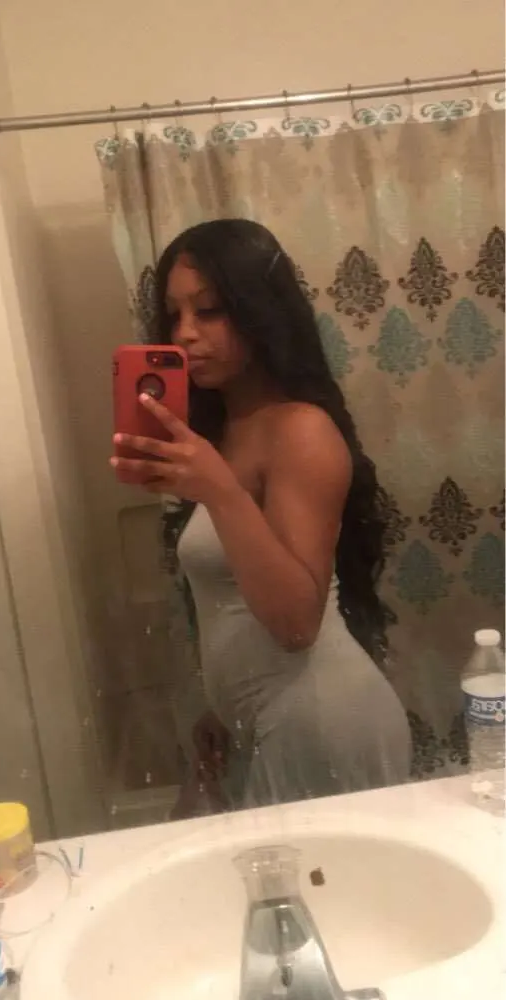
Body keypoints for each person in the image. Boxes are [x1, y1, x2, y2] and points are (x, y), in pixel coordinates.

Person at [111, 219, 411, 809]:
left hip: (322, 722)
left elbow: (297, 624)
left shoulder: (301, 430)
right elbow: (237, 600)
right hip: (268, 721)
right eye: (174, 315)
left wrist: (219, 490)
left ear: (260, 312)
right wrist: (224, 710)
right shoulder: (227, 431)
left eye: (210, 310)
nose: (185, 333)